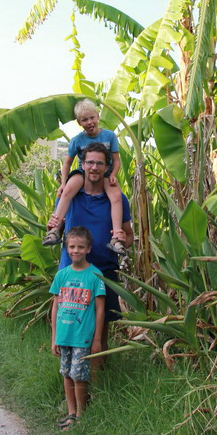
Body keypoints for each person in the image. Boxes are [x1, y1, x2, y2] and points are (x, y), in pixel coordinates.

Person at [57, 142, 134, 353]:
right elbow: (57, 228)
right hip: (72, 272)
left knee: (101, 335)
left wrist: (122, 238)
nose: (94, 167)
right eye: (89, 162)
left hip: (105, 272)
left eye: (99, 163)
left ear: (107, 167)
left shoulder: (118, 200)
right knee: (70, 329)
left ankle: (99, 380)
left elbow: (129, 238)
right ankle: (73, 382)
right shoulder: (70, 195)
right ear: (82, 164)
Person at [43, 100, 124, 252]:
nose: (89, 122)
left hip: (105, 172)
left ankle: (116, 236)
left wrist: (113, 174)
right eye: (84, 120)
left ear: (98, 116)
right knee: (66, 192)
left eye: (92, 117)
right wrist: (63, 182)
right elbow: (67, 163)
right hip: (83, 172)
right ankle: (55, 228)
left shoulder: (110, 136)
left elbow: (117, 160)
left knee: (116, 197)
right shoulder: (77, 140)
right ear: (79, 123)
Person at [49, 225, 106, 428]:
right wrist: (54, 337)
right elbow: (55, 306)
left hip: (83, 336)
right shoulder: (61, 275)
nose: (76, 251)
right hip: (64, 335)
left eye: (81, 247)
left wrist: (97, 339)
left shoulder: (95, 276)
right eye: (72, 246)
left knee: (79, 375)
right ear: (66, 248)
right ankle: (71, 412)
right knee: (66, 373)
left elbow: (100, 310)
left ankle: (82, 414)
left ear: (88, 249)